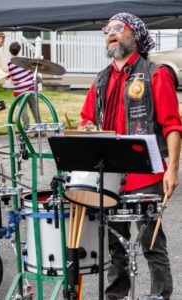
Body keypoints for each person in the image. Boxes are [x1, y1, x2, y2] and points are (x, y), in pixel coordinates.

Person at [79, 13, 181, 300]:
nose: (110, 33)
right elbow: (87, 119)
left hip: (146, 175)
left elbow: (173, 125)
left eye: (118, 29)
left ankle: (160, 295)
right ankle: (117, 294)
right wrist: (86, 128)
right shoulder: (100, 79)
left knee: (151, 242)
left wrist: (173, 169)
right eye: (107, 29)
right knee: (114, 242)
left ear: (135, 36)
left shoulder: (155, 73)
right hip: (109, 175)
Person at [7, 41, 41, 128]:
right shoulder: (25, 60)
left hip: (19, 90)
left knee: (23, 109)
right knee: (34, 107)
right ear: (20, 49)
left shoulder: (9, 63)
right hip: (30, 87)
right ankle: (39, 125)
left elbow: (7, 76)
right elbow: (31, 73)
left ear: (10, 51)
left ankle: (27, 126)